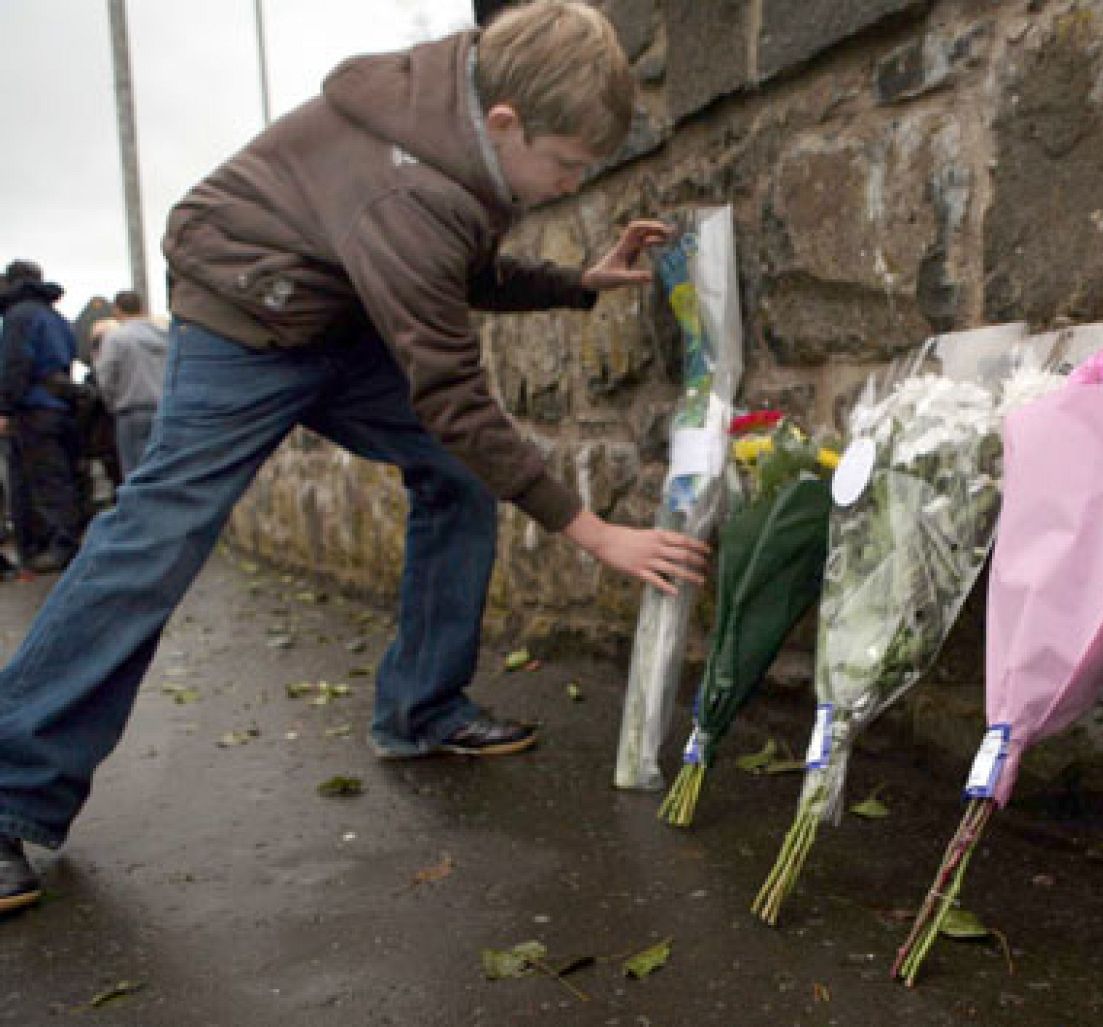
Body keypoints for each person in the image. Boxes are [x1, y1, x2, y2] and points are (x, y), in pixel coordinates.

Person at [0, 1, 709, 915]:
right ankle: (11, 788)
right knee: (159, 531)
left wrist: (577, 282)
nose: (570, 183)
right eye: (568, 164)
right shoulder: (411, 184)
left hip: (340, 304)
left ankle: (421, 708)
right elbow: (451, 391)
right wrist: (591, 529)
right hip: (245, 313)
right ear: (505, 121)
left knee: (454, 479)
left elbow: (451, 264)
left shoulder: (465, 122)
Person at [0, 260, 84, 575]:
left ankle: (58, 547)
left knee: (41, 482)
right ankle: (59, 543)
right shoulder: (56, 316)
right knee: (60, 477)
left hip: (33, 409)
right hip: (60, 407)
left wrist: (5, 408)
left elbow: (15, 365)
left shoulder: (18, 317)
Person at [92, 290, 169, 477]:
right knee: (162, 469)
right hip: (164, 410)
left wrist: (112, 403)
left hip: (131, 411)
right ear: (142, 308)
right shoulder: (165, 336)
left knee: (135, 471)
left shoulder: (116, 338)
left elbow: (106, 376)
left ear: (117, 310)